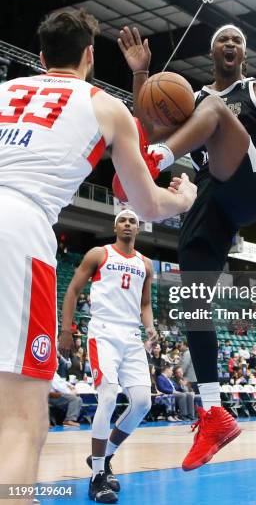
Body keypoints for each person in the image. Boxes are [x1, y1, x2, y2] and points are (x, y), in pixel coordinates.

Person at [0, 9, 196, 499]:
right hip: (18, 228)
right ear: (90, 56)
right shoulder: (106, 107)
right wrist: (184, 200)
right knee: (22, 423)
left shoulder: (4, 92)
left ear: (41, 58)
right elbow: (147, 201)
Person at [116, 20, 256, 470]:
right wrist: (141, 75)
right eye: (222, 41)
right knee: (192, 297)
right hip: (215, 197)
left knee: (210, 109)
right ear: (212, 53)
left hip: (253, 183)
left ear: (243, 54)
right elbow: (149, 126)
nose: (230, 45)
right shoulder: (189, 96)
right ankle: (213, 413)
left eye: (237, 41)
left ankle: (154, 167)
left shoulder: (253, 88)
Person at [59, 209, 159, 502]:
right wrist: (66, 330)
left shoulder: (146, 264)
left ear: (138, 229)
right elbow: (73, 290)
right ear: (116, 226)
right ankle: (96, 478)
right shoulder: (98, 254)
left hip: (131, 336)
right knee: (108, 396)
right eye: (123, 220)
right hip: (103, 332)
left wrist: (150, 328)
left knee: (142, 403)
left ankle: (102, 457)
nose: (128, 224)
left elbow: (145, 304)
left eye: (133, 222)